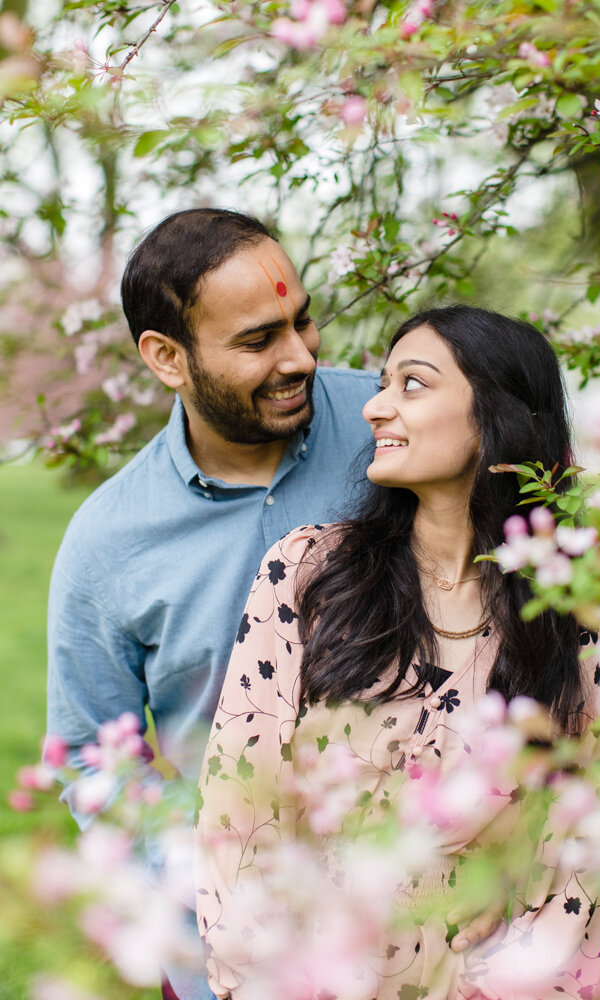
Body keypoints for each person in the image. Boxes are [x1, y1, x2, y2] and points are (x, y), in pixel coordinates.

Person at [195, 305, 600, 1000]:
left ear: (496, 418)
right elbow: (236, 811)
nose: (375, 408)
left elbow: (580, 844)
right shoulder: (308, 574)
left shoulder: (574, 611)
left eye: (411, 385)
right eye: (382, 384)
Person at [46, 208, 378, 1000]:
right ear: (167, 358)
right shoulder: (107, 542)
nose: (299, 356)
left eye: (302, 321)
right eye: (259, 340)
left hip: (420, 917)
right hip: (230, 950)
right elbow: (92, 749)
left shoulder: (391, 431)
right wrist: (191, 869)